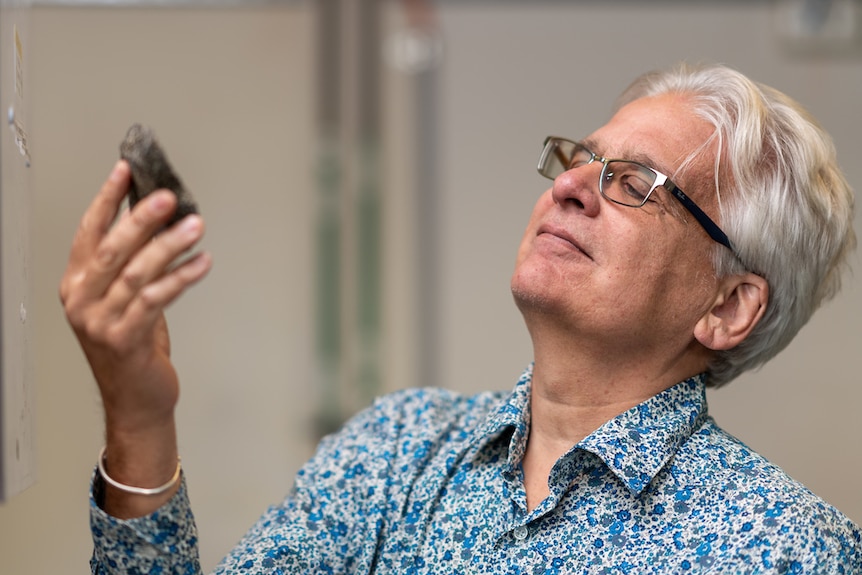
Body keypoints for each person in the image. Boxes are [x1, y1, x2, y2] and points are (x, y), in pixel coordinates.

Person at [62, 62, 861, 574]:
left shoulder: (789, 548)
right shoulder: (396, 447)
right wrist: (138, 415)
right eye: (579, 158)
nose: (570, 186)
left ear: (727, 306)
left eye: (635, 182)